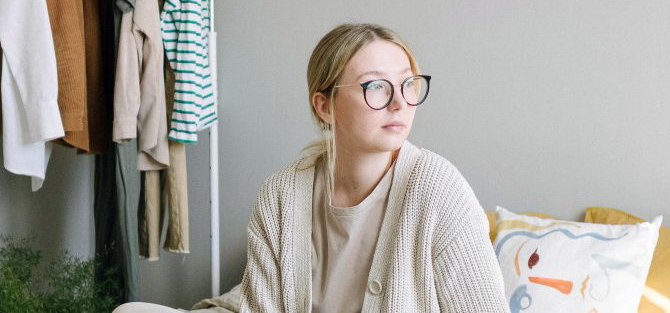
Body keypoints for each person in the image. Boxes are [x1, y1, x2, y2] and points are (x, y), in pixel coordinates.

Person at [114, 23, 509, 313]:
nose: (399, 103)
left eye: (407, 84)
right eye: (376, 87)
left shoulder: (438, 189)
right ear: (325, 106)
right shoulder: (283, 194)